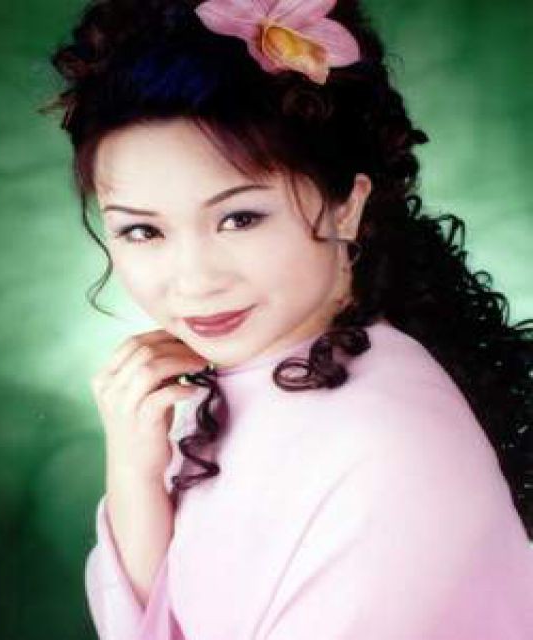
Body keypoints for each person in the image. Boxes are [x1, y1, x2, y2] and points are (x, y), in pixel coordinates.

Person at [40, 0, 533, 637]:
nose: (194, 280)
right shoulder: (241, 377)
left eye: (240, 218)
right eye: (143, 231)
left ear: (346, 206)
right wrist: (135, 474)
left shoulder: (383, 441)